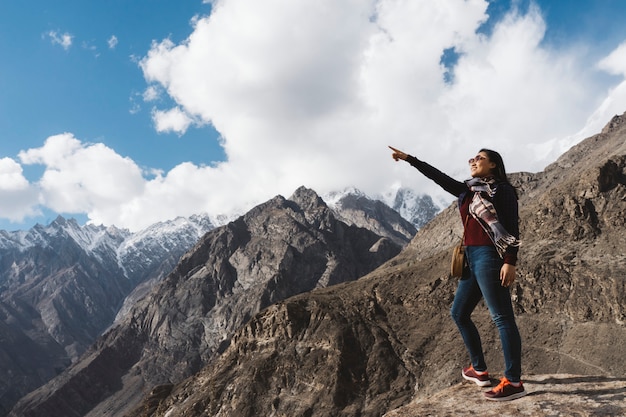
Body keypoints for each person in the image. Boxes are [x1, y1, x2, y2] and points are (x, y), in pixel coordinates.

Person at [389, 145, 526, 401]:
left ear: (493, 164)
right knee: (459, 313)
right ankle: (480, 370)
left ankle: (514, 381)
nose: (473, 161)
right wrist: (410, 159)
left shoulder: (503, 191)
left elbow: (512, 226)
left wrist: (510, 260)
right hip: (470, 257)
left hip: (490, 257)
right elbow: (437, 176)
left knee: (502, 318)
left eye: (480, 158)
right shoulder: (467, 190)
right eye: (472, 158)